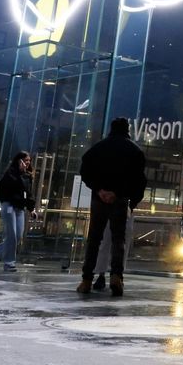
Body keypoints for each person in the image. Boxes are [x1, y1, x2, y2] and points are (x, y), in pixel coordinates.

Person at [75, 117, 146, 297]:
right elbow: (139, 180)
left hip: (99, 199)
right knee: (118, 240)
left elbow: (85, 171)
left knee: (94, 239)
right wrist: (125, 196)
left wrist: (99, 190)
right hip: (119, 200)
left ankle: (86, 280)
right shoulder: (134, 150)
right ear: (127, 129)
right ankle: (116, 276)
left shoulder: (98, 148)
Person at [0, 152, 35, 272]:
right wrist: (19, 173)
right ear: (19, 160)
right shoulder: (10, 174)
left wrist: (31, 208)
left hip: (20, 208)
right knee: (11, 235)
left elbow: (28, 193)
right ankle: (9, 263)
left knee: (17, 236)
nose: (27, 162)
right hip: (9, 206)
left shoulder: (27, 176)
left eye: (29, 160)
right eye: (25, 160)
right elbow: (8, 187)